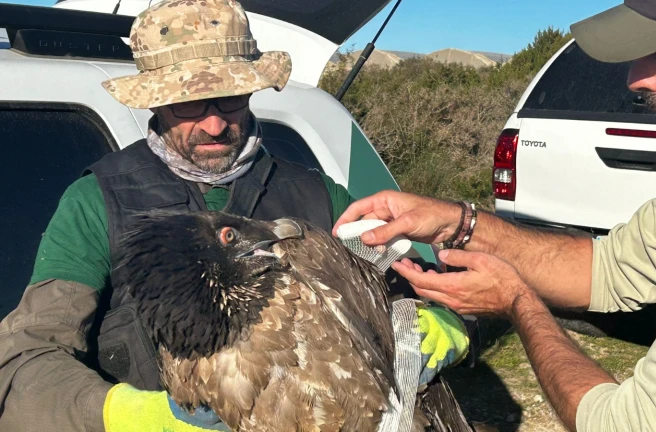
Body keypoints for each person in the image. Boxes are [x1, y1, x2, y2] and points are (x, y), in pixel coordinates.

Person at [0, 1, 469, 431]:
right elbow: (27, 358)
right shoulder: (95, 202)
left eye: (230, 98)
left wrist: (442, 319)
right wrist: (132, 416)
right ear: (154, 99)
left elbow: (417, 287)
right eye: (188, 102)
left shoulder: (317, 194)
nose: (215, 123)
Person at [333, 1, 656, 431]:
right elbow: (609, 269)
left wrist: (519, 302)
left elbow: (632, 425)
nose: (635, 78)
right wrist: (458, 223)